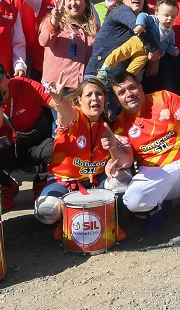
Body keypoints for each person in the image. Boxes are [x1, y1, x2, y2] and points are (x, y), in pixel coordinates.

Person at [109, 72, 180, 235]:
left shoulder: (164, 97)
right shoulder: (119, 125)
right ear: (116, 101)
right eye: (121, 93)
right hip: (155, 173)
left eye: (132, 88)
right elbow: (126, 161)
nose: (129, 94)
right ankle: (159, 208)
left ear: (141, 88)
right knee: (133, 200)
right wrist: (112, 149)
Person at [33, 78, 133, 227]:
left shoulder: (110, 124)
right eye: (88, 95)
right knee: (46, 211)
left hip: (96, 180)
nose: (94, 98)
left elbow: (126, 162)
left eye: (99, 94)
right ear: (79, 100)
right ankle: (70, 217)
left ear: (105, 98)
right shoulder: (74, 117)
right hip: (64, 181)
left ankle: (106, 220)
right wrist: (59, 99)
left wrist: (113, 147)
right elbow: (65, 111)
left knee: (124, 178)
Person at [0, 60, 57, 209]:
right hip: (4, 149)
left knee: (56, 148)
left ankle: (41, 182)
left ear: (8, 77)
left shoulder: (26, 85)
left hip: (35, 144)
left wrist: (61, 103)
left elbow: (57, 104)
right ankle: (5, 184)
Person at [96, 0, 178, 78]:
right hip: (137, 42)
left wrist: (173, 50)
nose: (169, 19)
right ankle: (104, 69)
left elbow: (168, 45)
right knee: (119, 53)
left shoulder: (171, 33)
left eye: (173, 17)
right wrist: (140, 25)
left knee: (135, 68)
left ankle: (124, 79)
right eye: (166, 15)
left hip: (145, 54)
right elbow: (142, 16)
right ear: (156, 13)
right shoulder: (152, 20)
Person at [37, 0, 99, 90]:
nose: (73, 3)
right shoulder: (54, 22)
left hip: (84, 87)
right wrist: (55, 20)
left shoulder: (93, 27)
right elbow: (44, 42)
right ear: (63, 3)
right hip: (58, 86)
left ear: (86, 3)